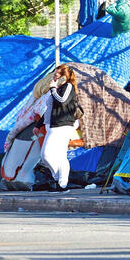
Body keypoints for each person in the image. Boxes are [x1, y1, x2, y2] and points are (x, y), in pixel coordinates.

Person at [40, 64, 81, 192]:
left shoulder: (68, 86)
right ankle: (59, 180)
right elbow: (50, 109)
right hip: (53, 125)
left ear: (65, 76)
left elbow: (62, 101)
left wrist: (53, 89)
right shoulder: (58, 88)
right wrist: (39, 124)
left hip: (63, 125)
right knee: (45, 155)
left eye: (57, 75)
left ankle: (62, 183)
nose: (54, 77)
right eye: (54, 74)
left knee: (56, 155)